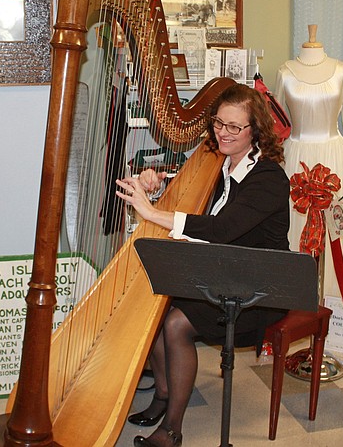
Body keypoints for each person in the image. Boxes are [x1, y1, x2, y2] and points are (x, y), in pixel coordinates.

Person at [115, 83, 290, 447]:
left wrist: (150, 211)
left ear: (255, 131)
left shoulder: (269, 180)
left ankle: (172, 430)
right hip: (220, 268)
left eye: (233, 127)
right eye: (217, 123)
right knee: (155, 299)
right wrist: (158, 186)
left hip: (259, 286)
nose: (221, 133)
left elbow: (221, 228)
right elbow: (195, 201)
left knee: (176, 322)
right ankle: (163, 393)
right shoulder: (218, 160)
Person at [274, 25, 343, 303]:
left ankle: (339, 307)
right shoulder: (285, 71)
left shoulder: (341, 69)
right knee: (294, 227)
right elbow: (277, 123)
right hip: (296, 156)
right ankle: (293, 303)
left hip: (334, 156)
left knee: (339, 231)